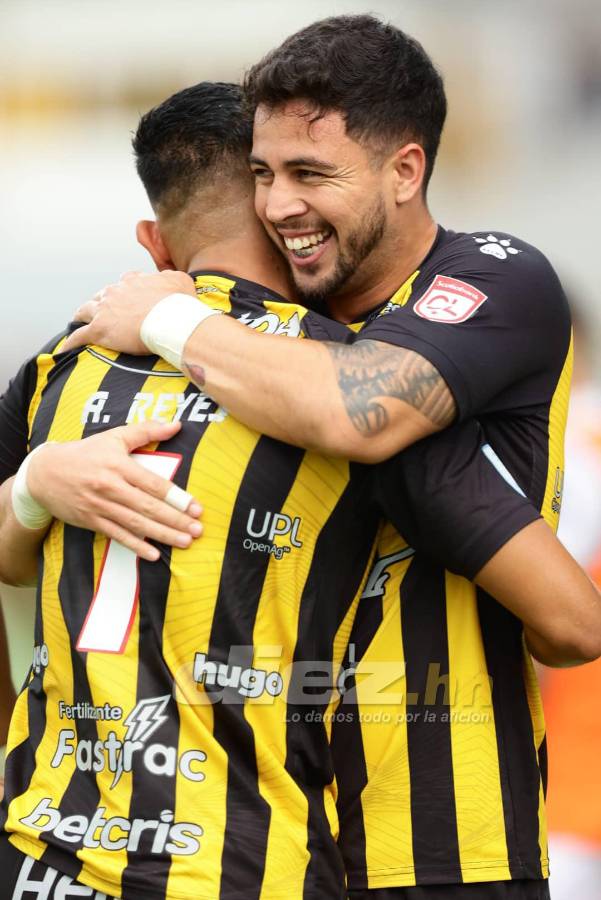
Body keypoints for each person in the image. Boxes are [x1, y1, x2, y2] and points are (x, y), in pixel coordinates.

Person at [1, 82, 586, 900]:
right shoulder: (348, 393)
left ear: (154, 243)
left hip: (47, 844)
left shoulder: (67, 362)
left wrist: (35, 484)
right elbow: (571, 621)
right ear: (282, 216)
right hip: (301, 853)